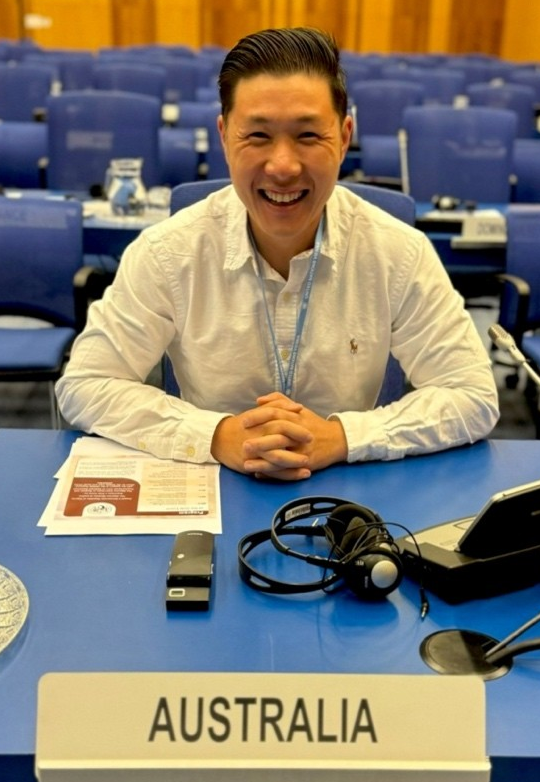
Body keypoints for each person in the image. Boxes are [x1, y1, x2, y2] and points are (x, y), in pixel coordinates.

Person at [56, 27, 499, 482]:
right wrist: (216, 435)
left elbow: (473, 395)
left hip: (348, 495)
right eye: (258, 136)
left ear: (345, 138)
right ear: (225, 136)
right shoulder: (168, 253)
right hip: (212, 488)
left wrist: (343, 437)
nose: (283, 166)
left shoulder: (397, 253)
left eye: (308, 135)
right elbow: (85, 385)